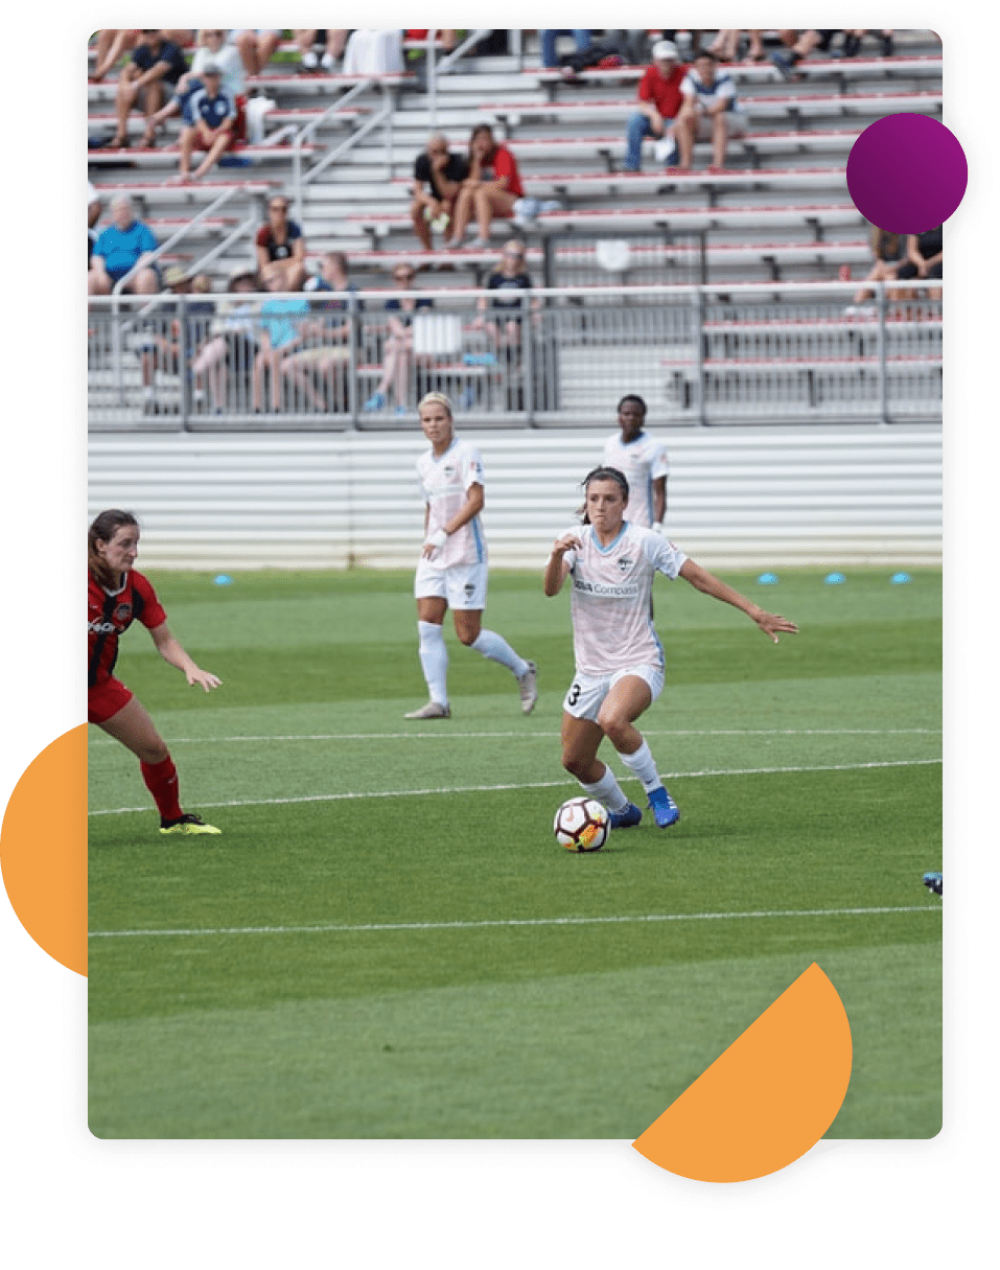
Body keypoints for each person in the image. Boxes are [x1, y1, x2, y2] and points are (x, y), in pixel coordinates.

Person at [544, 467, 798, 828]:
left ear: (625, 503)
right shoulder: (572, 540)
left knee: (613, 720)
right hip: (590, 668)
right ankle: (622, 811)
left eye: (610, 499)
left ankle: (657, 792)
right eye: (593, 499)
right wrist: (555, 555)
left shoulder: (645, 542)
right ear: (585, 502)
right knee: (574, 760)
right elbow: (551, 589)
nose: (600, 507)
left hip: (638, 659)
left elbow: (698, 577)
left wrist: (754, 611)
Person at [87, 509, 222, 836]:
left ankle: (173, 821)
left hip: (99, 687)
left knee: (153, 749)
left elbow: (165, 640)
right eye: (125, 544)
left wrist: (190, 666)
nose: (133, 552)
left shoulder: (137, 587)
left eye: (136, 544)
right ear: (101, 544)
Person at [406, 393, 538, 720]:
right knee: (428, 626)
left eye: (439, 418)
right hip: (435, 554)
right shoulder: (423, 462)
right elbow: (430, 505)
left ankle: (522, 669)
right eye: (427, 420)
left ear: (450, 420)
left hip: (465, 552)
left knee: (468, 635)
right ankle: (439, 702)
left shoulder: (466, 453)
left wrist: (444, 532)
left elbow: (476, 500)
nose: (433, 425)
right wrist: (430, 538)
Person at [282, 252, 363, 411]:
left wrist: (320, 333)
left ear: (336, 266)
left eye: (323, 265)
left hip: (350, 348)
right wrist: (308, 329)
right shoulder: (328, 293)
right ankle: (323, 406)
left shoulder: (353, 292)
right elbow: (321, 325)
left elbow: (349, 330)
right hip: (328, 348)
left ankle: (344, 404)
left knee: (326, 365)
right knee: (287, 365)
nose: (321, 269)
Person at [136, 265, 214, 414]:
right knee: (147, 356)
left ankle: (199, 401)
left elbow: (207, 331)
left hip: (193, 349)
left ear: (187, 282)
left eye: (181, 283)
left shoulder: (203, 303)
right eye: (174, 285)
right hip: (171, 352)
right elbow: (154, 328)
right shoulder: (167, 304)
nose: (178, 288)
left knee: (202, 358)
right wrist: (165, 343)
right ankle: (149, 399)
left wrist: (191, 347)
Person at [147, 28, 246, 137]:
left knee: (193, 87)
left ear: (223, 35)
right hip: (210, 92)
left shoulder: (231, 51)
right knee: (192, 91)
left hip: (230, 93)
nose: (214, 38)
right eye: (209, 35)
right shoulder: (202, 52)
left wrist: (184, 78)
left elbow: (211, 73)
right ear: (204, 37)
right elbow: (198, 75)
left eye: (218, 34)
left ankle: (169, 118)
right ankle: (184, 130)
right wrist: (186, 79)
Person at [363, 263, 434, 414]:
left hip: (424, 351)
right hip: (407, 350)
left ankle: (381, 391)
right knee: (400, 355)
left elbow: (420, 327)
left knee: (394, 346)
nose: (404, 282)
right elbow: (400, 330)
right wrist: (407, 333)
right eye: (399, 278)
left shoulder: (424, 298)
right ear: (394, 280)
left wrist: (403, 335)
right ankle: (401, 406)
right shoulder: (392, 302)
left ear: (414, 278)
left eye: (408, 277)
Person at [190, 268, 260, 413]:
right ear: (233, 286)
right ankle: (219, 407)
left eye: (247, 282)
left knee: (224, 339)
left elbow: (253, 328)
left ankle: (197, 367)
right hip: (228, 345)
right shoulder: (225, 305)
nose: (244, 286)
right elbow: (215, 328)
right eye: (240, 282)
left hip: (249, 345)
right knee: (217, 364)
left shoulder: (258, 303)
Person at [444, 125, 524, 249]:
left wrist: (478, 184)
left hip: (510, 199)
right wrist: (476, 159)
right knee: (466, 192)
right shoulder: (477, 157)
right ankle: (458, 236)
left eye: (485, 139)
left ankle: (483, 237)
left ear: (492, 140)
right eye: (478, 139)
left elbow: (502, 184)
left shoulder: (502, 153)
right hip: (486, 202)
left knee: (479, 193)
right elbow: (472, 183)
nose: (481, 143)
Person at [111, 28, 190, 149]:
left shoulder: (171, 48)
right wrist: (126, 85)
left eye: (153, 30)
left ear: (160, 32)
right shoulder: (142, 50)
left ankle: (149, 134)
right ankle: (121, 135)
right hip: (151, 96)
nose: (150, 34)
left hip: (174, 97)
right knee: (124, 89)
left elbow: (159, 70)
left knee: (153, 84)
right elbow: (127, 71)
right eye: (146, 31)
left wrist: (134, 85)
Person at [601, 395, 669, 529]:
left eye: (636, 414)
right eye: (626, 414)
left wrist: (657, 525)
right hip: (613, 520)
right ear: (619, 417)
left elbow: (660, 492)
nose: (631, 418)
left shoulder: (654, 446)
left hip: (641, 522)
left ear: (643, 419)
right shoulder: (610, 444)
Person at [673, 50, 748, 171]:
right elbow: (688, 103)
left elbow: (722, 105)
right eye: (701, 66)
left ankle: (718, 164)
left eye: (707, 65)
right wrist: (680, 120)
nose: (705, 69)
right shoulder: (691, 78)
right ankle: (685, 164)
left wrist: (700, 112)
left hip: (733, 120)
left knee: (719, 117)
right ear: (696, 67)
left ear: (714, 65)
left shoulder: (723, 77)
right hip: (708, 120)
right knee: (684, 122)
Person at [622, 39, 687, 172]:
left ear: (675, 60)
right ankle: (632, 165)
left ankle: (672, 167)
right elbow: (643, 102)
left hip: (677, 119)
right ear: (655, 60)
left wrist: (678, 121)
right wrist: (655, 116)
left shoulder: (684, 74)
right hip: (659, 118)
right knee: (634, 120)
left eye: (669, 59)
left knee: (675, 128)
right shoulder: (650, 73)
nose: (666, 63)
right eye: (663, 59)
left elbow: (689, 103)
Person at [252, 275, 311, 412]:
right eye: (267, 282)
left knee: (275, 358)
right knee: (259, 361)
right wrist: (266, 347)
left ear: (284, 279)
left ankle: (277, 405)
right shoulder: (267, 304)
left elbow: (303, 333)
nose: (269, 285)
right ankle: (257, 405)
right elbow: (264, 331)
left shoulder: (300, 302)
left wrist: (285, 348)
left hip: (294, 347)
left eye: (272, 279)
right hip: (273, 348)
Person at [87, 194, 160, 297]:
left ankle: (145, 312)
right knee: (89, 278)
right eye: (119, 210)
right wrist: (101, 274)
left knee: (147, 276)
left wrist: (132, 274)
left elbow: (147, 255)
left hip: (135, 275)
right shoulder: (105, 233)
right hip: (110, 277)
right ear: (113, 214)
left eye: (125, 209)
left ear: (131, 211)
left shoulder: (143, 230)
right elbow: (96, 257)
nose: (122, 213)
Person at [174, 65, 236, 182]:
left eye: (214, 76)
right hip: (205, 130)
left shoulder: (227, 94)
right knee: (187, 132)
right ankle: (184, 172)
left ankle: (198, 174)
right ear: (203, 79)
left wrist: (215, 133)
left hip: (221, 131)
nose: (211, 80)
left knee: (223, 139)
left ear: (218, 78)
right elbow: (198, 121)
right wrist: (207, 133)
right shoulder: (197, 97)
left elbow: (229, 120)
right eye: (208, 76)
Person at [410, 132, 470, 251]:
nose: (438, 155)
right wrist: (431, 202)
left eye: (442, 151)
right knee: (415, 209)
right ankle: (427, 249)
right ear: (428, 151)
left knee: (447, 208)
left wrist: (437, 171)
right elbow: (417, 190)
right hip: (435, 197)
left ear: (447, 149)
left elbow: (449, 194)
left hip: (455, 198)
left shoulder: (457, 161)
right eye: (434, 151)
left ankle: (447, 254)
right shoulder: (422, 160)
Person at [845, 224, 906, 313]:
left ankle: (888, 310)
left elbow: (907, 258)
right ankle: (858, 304)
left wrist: (892, 268)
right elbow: (877, 256)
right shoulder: (877, 232)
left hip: (900, 267)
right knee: (877, 272)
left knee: (890, 278)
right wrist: (882, 266)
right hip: (883, 268)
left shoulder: (903, 234)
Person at [255, 195, 308, 292]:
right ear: (269, 212)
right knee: (268, 272)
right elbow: (264, 264)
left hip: (288, 270)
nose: (280, 213)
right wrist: (278, 267)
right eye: (275, 209)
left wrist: (277, 265)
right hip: (272, 271)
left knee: (298, 268)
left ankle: (284, 300)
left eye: (283, 209)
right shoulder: (263, 233)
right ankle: (278, 300)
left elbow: (299, 258)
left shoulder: (294, 230)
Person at [894, 225, 945, 303]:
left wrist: (928, 264)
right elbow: (912, 251)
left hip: (938, 262)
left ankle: (936, 309)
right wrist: (922, 264)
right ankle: (903, 310)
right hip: (920, 262)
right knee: (903, 273)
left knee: (936, 273)